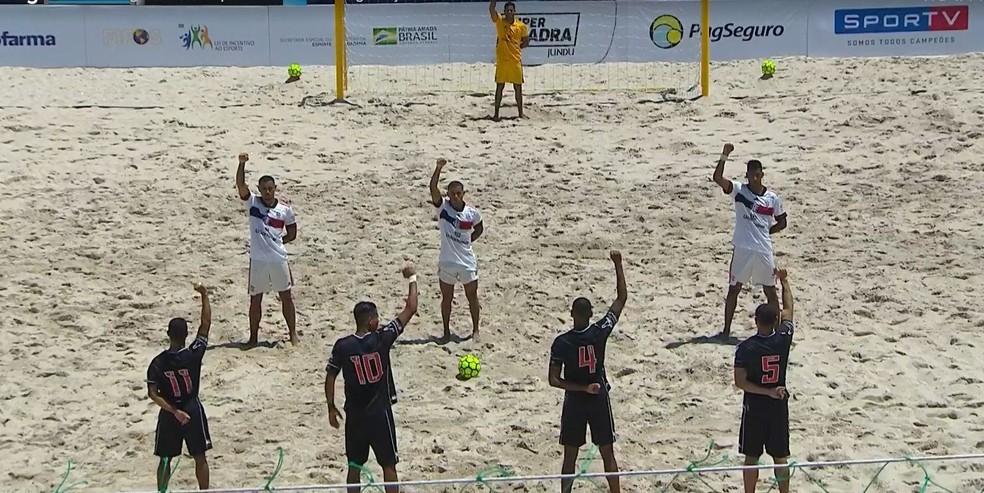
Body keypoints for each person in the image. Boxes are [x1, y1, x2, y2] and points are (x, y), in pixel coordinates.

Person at [325, 263, 419, 493]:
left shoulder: (343, 346)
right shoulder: (382, 338)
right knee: (388, 464)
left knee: (354, 466)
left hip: (355, 415)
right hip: (379, 413)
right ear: (370, 321)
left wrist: (331, 406)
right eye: (376, 317)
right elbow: (411, 308)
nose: (379, 320)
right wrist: (413, 278)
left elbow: (330, 376)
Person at [548, 251, 628, 493]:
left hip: (575, 401)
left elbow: (554, 380)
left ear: (572, 314)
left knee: (570, 455)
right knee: (607, 452)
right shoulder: (599, 331)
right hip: (597, 397)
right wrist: (618, 265)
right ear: (590, 314)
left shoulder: (562, 342)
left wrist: (579, 388)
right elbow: (621, 298)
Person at [712, 143, 787, 339]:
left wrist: (767, 231)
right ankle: (726, 331)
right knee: (734, 288)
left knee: (770, 290)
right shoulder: (739, 191)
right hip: (743, 248)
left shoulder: (772, 198)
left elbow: (783, 221)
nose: (754, 177)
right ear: (747, 176)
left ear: (762, 174)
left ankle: (777, 332)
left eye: (757, 174)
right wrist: (724, 156)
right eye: (751, 174)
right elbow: (718, 178)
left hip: (763, 250)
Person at [146, 283, 213, 491]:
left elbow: (152, 393)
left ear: (168, 334)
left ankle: (162, 491)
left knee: (165, 458)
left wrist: (174, 411)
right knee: (199, 456)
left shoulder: (158, 363)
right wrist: (205, 296)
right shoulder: (192, 354)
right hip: (192, 407)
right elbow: (205, 324)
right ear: (185, 335)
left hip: (170, 411)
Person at [733, 267, 795, 493]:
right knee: (780, 457)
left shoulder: (746, 348)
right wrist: (784, 282)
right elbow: (789, 309)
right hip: (778, 403)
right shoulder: (783, 339)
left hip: (756, 406)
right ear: (775, 320)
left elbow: (741, 382)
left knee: (752, 457)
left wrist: (764, 391)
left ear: (756, 320)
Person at [235, 152, 299, 346]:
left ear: (275, 189)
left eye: (271, 189)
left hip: (278, 259)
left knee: (286, 297)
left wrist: (276, 242)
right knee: (256, 299)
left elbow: (292, 233)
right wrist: (241, 165)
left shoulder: (284, 210)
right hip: (258, 260)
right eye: (264, 189)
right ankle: (253, 337)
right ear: (260, 189)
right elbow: (240, 185)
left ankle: (293, 334)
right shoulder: (252, 202)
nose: (268, 192)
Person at [429, 158, 484, 341]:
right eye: (452, 194)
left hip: (467, 261)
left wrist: (468, 241)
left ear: (463, 193)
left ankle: (476, 330)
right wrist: (438, 168)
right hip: (447, 262)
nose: (455, 197)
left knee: (472, 297)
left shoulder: (471, 213)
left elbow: (479, 228)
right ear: (448, 194)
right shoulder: (442, 207)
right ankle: (446, 332)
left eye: (458, 194)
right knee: (447, 299)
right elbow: (433, 188)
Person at [488, 0, 529, 121]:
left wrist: (516, 47)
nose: (509, 12)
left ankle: (520, 113)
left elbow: (526, 41)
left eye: (511, 10)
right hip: (502, 61)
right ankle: (496, 114)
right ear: (504, 12)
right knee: (499, 87)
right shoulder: (500, 22)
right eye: (507, 10)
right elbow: (491, 10)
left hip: (515, 61)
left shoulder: (521, 26)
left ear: (515, 12)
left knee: (518, 88)